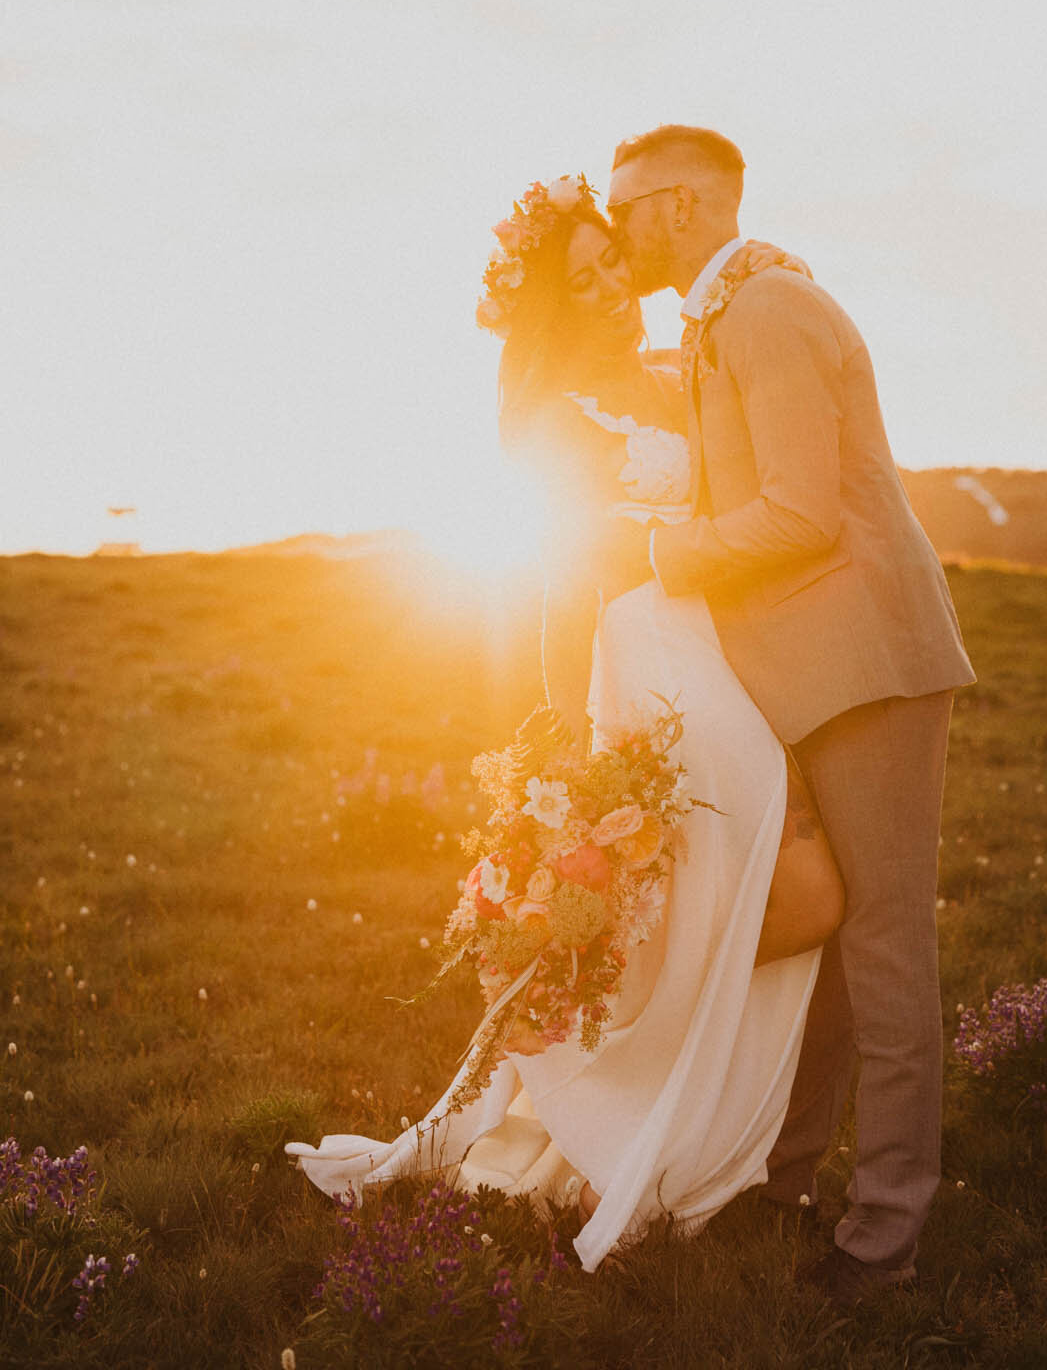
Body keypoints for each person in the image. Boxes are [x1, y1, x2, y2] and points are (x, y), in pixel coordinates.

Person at [287, 174, 844, 1271]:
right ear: (551, 302)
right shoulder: (552, 411)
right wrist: (573, 723)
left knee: (746, 895)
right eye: (584, 279)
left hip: (727, 647)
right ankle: (634, 1112)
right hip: (648, 657)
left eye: (612, 269)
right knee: (774, 890)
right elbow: (558, 567)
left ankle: (659, 1103)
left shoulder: (670, 366)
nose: (611, 291)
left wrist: (775, 272)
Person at [606, 125, 975, 1308]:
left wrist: (661, 552)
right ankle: (782, 1183)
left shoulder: (765, 310)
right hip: (809, 669)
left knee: (881, 945)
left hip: (866, 658)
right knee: (831, 943)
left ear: (678, 207)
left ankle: (887, 1235)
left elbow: (802, 516)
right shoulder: (731, 315)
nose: (619, 234)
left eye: (627, 211)